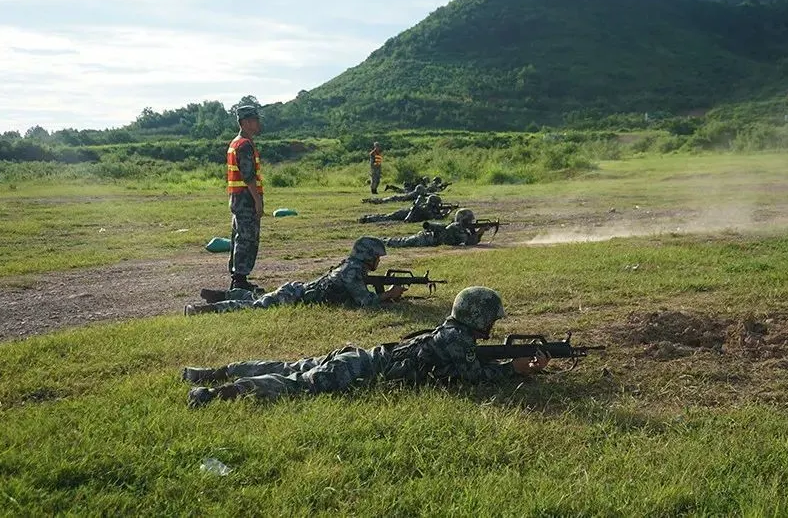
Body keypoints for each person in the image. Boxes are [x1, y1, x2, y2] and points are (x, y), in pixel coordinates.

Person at [183, 286, 549, 407]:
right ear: (476, 317)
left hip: (363, 357)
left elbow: (462, 367)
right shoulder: (456, 339)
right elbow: (474, 376)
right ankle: (217, 393)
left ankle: (217, 371)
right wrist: (514, 370)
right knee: (295, 383)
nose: (492, 325)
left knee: (291, 367)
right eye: (490, 319)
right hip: (360, 368)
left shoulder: (451, 332)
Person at [185, 237, 405, 315]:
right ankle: (204, 310)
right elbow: (366, 303)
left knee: (258, 299)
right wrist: (389, 294)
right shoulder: (352, 272)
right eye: (377, 256)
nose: (378, 261)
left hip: (298, 290)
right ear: (368, 256)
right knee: (257, 306)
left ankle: (221, 295)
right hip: (296, 296)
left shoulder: (354, 267)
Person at [227, 105, 264, 292]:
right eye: (255, 120)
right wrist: (257, 200)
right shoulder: (244, 145)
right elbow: (248, 176)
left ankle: (238, 278)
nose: (258, 123)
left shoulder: (236, 142)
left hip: (237, 197)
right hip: (246, 198)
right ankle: (240, 280)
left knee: (239, 237)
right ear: (246, 122)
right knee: (247, 238)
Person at [384, 208, 485, 248]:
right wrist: (479, 232)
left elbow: (472, 241)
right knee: (399, 243)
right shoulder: (456, 227)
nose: (470, 222)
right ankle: (381, 241)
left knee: (400, 242)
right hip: (425, 239)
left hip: (429, 240)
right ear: (462, 220)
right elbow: (469, 242)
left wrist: (480, 232)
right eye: (468, 220)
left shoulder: (460, 228)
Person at [358, 194, 447, 224]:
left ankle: (367, 218)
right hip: (403, 213)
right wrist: (447, 212)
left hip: (406, 212)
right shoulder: (426, 209)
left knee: (386, 216)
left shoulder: (427, 208)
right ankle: (367, 219)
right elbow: (436, 217)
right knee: (386, 217)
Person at [363, 183, 428, 204]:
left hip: (398, 197)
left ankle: (370, 200)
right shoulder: (415, 194)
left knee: (383, 200)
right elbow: (406, 197)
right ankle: (370, 200)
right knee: (383, 201)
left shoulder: (415, 193)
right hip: (398, 198)